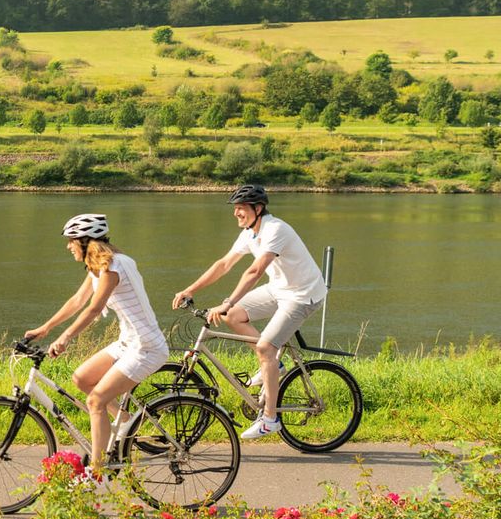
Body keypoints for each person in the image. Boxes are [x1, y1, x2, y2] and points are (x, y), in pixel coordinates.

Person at [172, 184, 327, 440]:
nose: (236, 213)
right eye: (235, 209)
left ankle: (270, 418)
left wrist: (227, 301)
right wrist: (190, 289)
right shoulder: (249, 233)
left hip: (303, 295)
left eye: (241, 208)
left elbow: (254, 271)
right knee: (233, 317)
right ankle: (275, 364)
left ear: (258, 208)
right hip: (279, 289)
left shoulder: (276, 229)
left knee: (264, 347)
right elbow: (223, 264)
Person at [24, 214, 169, 476]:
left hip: (146, 347)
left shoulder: (114, 267)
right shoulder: (99, 267)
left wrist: (65, 337)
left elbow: (94, 308)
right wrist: (45, 329)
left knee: (96, 402)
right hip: (129, 342)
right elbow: (78, 300)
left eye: (71, 241)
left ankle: (97, 472)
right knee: (81, 378)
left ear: (84, 241)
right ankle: (125, 421)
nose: (68, 247)